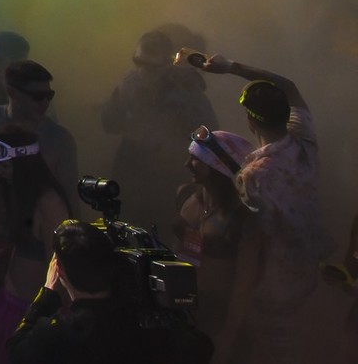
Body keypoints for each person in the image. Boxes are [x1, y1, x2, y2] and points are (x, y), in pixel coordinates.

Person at [191, 51, 330, 363]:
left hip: (272, 289)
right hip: (308, 277)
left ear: (250, 120)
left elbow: (251, 245)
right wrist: (234, 68)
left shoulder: (253, 177)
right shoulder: (304, 142)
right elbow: (291, 87)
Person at [7, 220, 212, 363]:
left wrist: (47, 294)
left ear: (58, 268)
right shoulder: (141, 326)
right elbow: (201, 346)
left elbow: (16, 351)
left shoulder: (57, 333)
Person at [0, 123, 72, 364]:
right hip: (7, 303)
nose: (1, 173)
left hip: (32, 311)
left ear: (24, 162)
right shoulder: (20, 192)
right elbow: (2, 228)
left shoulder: (48, 201)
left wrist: (48, 314)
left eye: (6, 166)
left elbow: (60, 264)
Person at [101, 31, 215, 233]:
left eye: (151, 67)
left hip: (168, 182)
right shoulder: (128, 88)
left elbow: (210, 139)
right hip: (131, 179)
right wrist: (121, 96)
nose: (143, 71)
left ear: (166, 65)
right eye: (138, 63)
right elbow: (110, 125)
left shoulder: (187, 94)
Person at [172, 126, 255, 354]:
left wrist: (227, 336)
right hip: (185, 310)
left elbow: (244, 287)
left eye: (196, 159)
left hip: (220, 316)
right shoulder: (187, 196)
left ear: (218, 166)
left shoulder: (242, 218)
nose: (187, 165)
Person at [0, 59, 80, 199]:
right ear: (12, 92)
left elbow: (70, 198)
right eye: (37, 96)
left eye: (49, 96)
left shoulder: (60, 140)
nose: (45, 103)